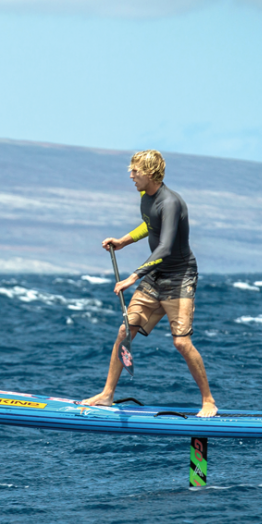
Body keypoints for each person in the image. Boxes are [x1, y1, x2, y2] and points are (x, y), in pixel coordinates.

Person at [82, 150, 217, 417]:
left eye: (136, 171)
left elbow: (165, 246)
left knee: (181, 343)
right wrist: (123, 240)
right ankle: (107, 394)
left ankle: (209, 401)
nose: (131, 176)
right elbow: (149, 226)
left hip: (179, 278)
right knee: (125, 331)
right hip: (155, 276)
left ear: (150, 173)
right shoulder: (146, 198)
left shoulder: (171, 203)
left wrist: (133, 277)